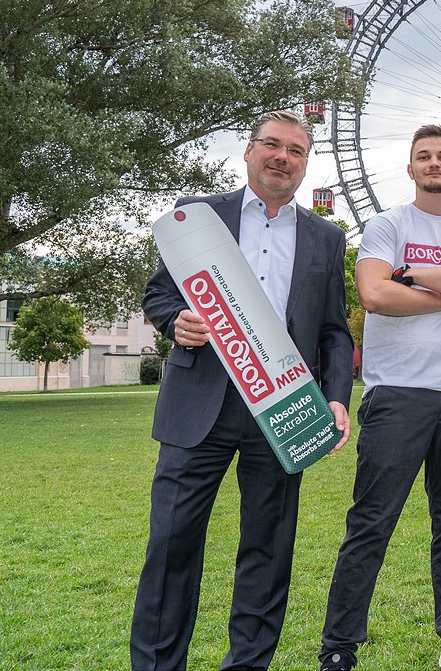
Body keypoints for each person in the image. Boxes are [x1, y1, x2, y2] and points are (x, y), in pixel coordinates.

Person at [132, 110, 355, 670]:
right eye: (272, 146)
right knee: (171, 547)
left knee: (269, 549)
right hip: (199, 406)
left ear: (306, 165)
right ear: (249, 151)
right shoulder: (200, 216)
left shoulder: (327, 237)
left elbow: (332, 330)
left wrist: (335, 396)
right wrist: (176, 320)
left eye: (296, 150)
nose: (283, 157)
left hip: (284, 409)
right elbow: (158, 295)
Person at [318, 125, 441, 671]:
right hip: (398, 394)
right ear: (410, 168)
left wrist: (417, 278)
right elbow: (375, 293)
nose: (434, 163)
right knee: (371, 522)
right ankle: (339, 648)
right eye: (424, 156)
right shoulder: (387, 224)